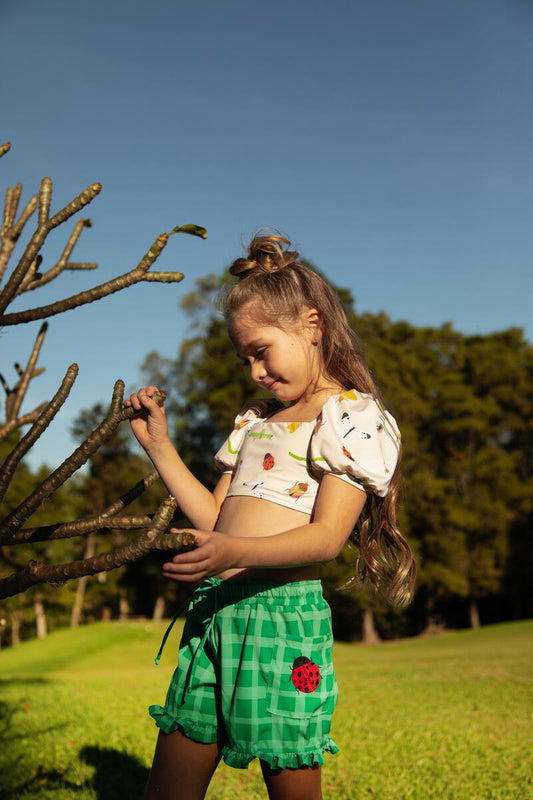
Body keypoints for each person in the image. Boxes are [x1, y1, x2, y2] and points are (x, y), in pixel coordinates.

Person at [126, 233, 415, 800]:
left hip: (282, 624)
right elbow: (214, 516)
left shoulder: (350, 418)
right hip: (214, 614)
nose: (255, 371)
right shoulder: (256, 422)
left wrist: (236, 553)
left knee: (290, 780)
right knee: (170, 781)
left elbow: (327, 538)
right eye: (245, 359)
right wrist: (159, 446)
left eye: (261, 350)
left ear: (312, 325)